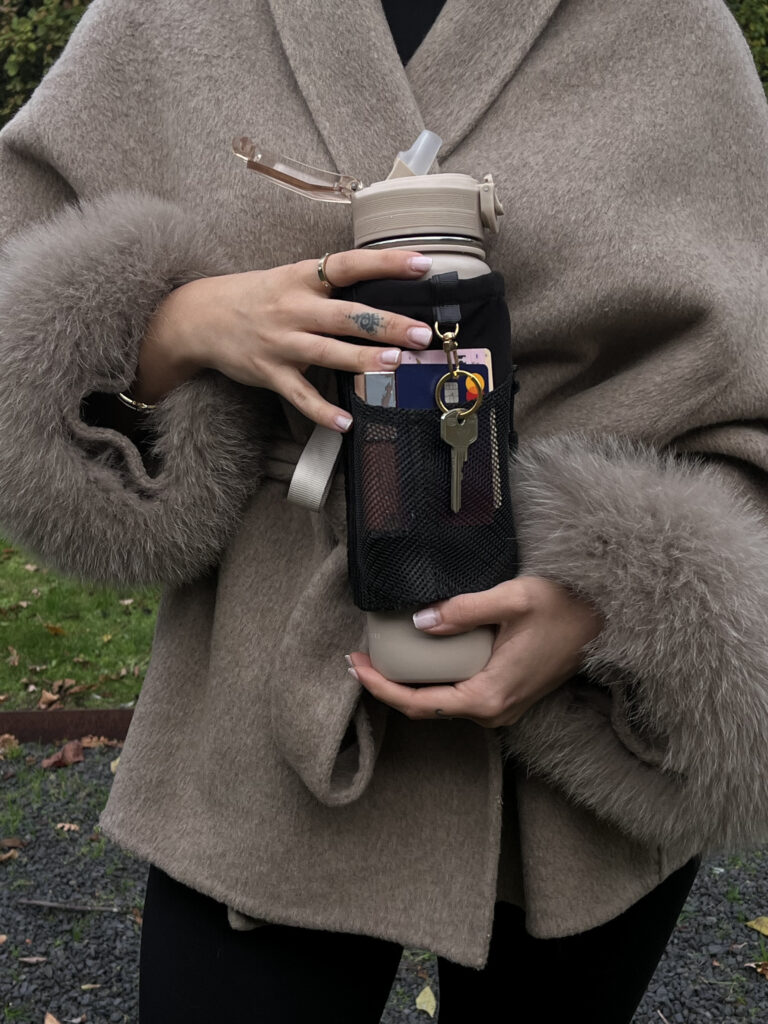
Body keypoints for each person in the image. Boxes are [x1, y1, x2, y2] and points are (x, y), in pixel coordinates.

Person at [1, 0, 767, 1021]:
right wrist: (190, 322)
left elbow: (752, 399)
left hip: (585, 718)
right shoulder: (167, 15)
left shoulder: (670, 27)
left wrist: (610, 602)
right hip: (257, 699)